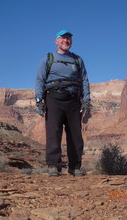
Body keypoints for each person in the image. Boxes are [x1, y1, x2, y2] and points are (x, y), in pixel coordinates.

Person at [35, 30, 91, 177]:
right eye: (63, 38)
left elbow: (84, 80)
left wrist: (86, 101)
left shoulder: (78, 60)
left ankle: (75, 167)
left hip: (73, 100)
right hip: (53, 99)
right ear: (56, 41)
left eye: (68, 39)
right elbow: (40, 79)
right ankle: (54, 166)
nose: (66, 41)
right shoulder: (48, 59)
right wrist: (39, 101)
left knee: (75, 135)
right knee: (54, 132)